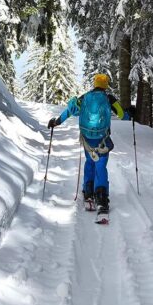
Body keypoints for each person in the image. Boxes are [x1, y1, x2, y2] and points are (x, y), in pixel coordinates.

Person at [49, 74, 130, 214]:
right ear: (105, 85)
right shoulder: (109, 99)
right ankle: (101, 198)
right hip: (102, 139)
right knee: (101, 166)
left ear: (94, 83)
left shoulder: (85, 97)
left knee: (90, 161)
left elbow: (70, 111)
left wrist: (56, 122)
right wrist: (131, 114)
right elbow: (123, 115)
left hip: (87, 138)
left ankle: (88, 191)